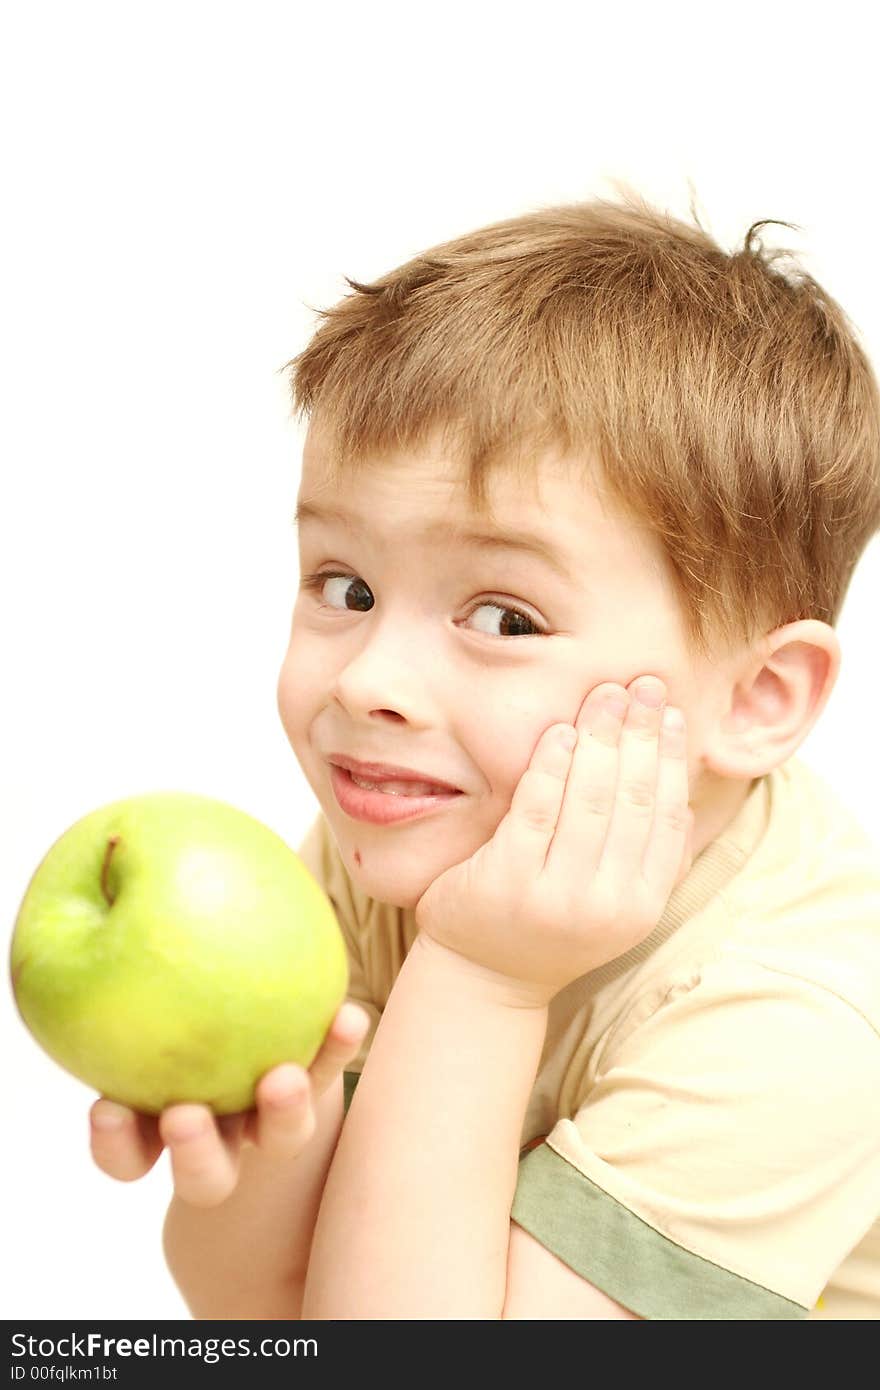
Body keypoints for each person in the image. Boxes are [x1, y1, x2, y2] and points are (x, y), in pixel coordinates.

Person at [89, 189, 880, 1320]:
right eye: (344, 587)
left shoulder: (794, 1016)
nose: (366, 681)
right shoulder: (414, 832)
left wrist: (482, 978)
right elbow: (268, 1316)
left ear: (756, 698)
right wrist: (258, 1149)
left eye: (503, 618)